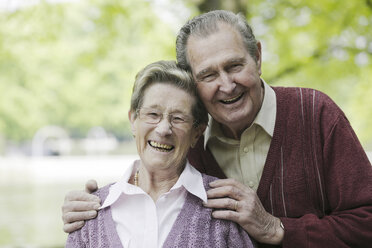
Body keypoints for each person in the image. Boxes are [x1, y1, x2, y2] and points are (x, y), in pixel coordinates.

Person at [62, 10, 372, 247]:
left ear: (258, 58)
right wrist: (98, 204)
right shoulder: (188, 141)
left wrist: (276, 228)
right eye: (208, 75)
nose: (226, 84)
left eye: (235, 66)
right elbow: (153, 165)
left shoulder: (314, 113)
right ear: (193, 84)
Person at [65, 60, 256, 247]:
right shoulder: (90, 213)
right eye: (153, 115)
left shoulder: (223, 211)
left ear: (196, 133)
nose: (164, 129)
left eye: (178, 118)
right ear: (133, 120)